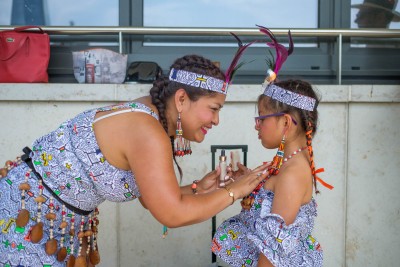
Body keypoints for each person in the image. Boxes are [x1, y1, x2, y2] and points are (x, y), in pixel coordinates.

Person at [0, 52, 269, 266]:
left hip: (45, 223)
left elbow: (152, 197)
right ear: (182, 99)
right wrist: (234, 191)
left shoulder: (150, 115)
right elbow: (171, 213)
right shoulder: (147, 131)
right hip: (25, 221)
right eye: (213, 109)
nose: (216, 120)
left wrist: (201, 188)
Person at [211, 26, 333, 267]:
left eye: (262, 118)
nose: (257, 126)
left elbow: (273, 250)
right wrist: (249, 182)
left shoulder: (293, 173)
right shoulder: (286, 165)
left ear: (286, 122)